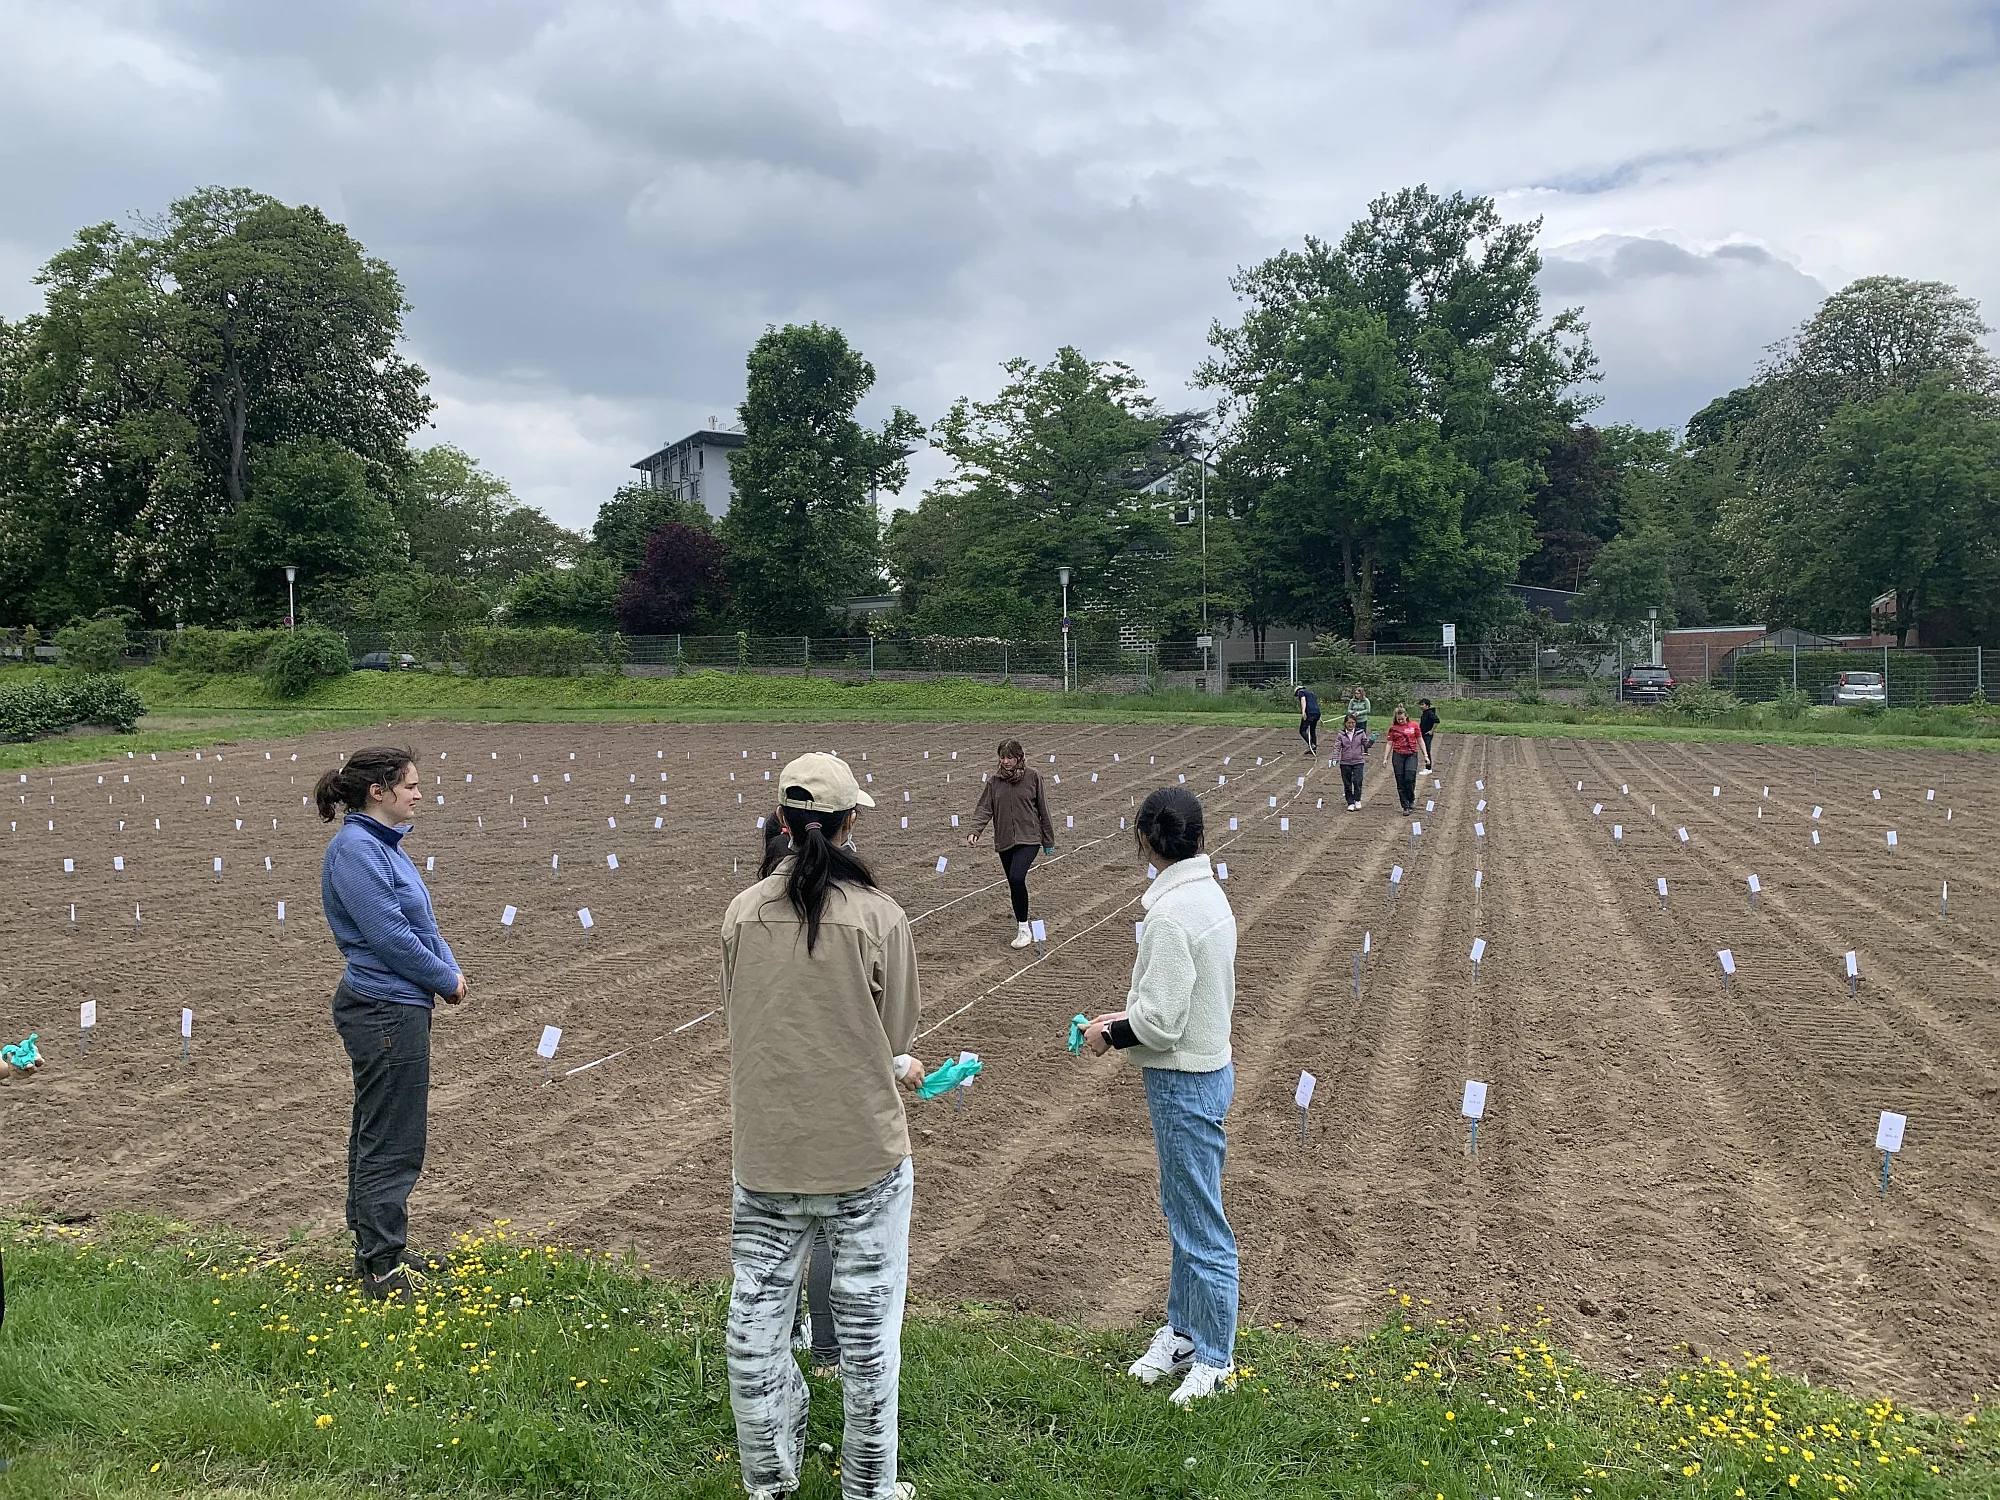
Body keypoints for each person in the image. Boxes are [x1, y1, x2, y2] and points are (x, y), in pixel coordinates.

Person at [722, 753, 927, 1500]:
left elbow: (740, 1011)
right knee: (870, 1342)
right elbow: (897, 1029)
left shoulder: (742, 912)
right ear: (848, 825)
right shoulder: (880, 915)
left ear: (780, 822)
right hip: (864, 1158)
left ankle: (769, 1480)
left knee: (754, 1331)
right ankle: (870, 1489)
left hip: (767, 1157)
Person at [1080, 787, 1240, 1407]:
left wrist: (1110, 1034)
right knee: (1184, 1212)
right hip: (1201, 1070)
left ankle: (1215, 1355)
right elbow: (1178, 1000)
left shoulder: (1171, 915)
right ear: (1199, 837)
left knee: (1200, 1222)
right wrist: (1131, 1012)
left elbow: (1163, 1025)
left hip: (1185, 1080)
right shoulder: (1205, 894)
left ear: (1146, 840)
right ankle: (1182, 1332)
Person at [314, 746, 465, 1303]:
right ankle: (381, 1264)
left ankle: (381, 1249)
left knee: (383, 1128)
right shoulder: (355, 850)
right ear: (378, 791)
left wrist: (447, 968)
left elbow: (420, 920)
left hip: (400, 1002)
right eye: (410, 786)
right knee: (391, 1137)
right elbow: (390, 936)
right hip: (382, 1005)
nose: (420, 794)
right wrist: (443, 979)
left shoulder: (385, 848)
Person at [759, 812, 843, 1379]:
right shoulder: (855, 912)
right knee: (827, 1228)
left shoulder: (748, 913)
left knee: (777, 1227)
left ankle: (780, 1337)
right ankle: (828, 1352)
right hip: (830, 1092)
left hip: (770, 1092)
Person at [966, 738, 1056, 949]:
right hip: (1005, 840)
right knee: (1014, 883)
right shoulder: (994, 782)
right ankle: (1021, 923)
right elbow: (984, 808)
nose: (1005, 761)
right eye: (1002, 757)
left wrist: (1048, 839)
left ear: (1019, 758)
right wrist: (975, 830)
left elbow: (1043, 809)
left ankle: (1024, 930)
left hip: (1029, 838)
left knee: (1017, 877)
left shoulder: (1033, 777)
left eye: (1010, 757)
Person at [1384, 705, 1423, 813]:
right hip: (1398, 755)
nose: (1401, 721)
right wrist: (1385, 758)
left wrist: (1426, 755)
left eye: (1402, 718)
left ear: (1406, 716)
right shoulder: (1393, 729)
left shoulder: (1414, 726)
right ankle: (1405, 805)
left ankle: (1411, 799)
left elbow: (1420, 740)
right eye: (1398, 719)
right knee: (1400, 781)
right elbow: (1389, 744)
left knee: (1410, 778)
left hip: (1411, 754)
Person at [1334, 714, 1373, 810]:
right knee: (1347, 783)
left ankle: (1357, 799)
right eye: (1349, 723)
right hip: (1345, 762)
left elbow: (1366, 745)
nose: (1351, 725)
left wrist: (1371, 740)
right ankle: (1350, 802)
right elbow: (1337, 747)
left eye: (1353, 723)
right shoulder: (1341, 734)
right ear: (1345, 723)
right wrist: (1334, 758)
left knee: (1357, 781)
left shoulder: (1360, 733)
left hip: (1358, 761)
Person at [1292, 684, 1321, 756]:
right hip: (1316, 713)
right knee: (1312, 730)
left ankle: (1311, 745)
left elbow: (1303, 699)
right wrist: (1320, 717)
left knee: (1302, 730)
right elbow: (1315, 704)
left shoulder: (1301, 692)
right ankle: (1313, 749)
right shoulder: (1312, 693)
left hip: (1309, 713)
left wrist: (1303, 711)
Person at [1418, 698, 1440, 771]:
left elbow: (1437, 721)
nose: (1421, 706)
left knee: (1427, 750)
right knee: (1425, 750)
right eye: (1420, 704)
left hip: (1427, 735)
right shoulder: (1425, 713)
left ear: (1427, 705)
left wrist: (1431, 731)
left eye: (1422, 704)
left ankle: (1428, 768)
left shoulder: (1430, 713)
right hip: (1423, 734)